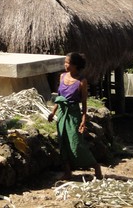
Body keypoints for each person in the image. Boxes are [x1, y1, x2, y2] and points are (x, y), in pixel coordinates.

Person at [48, 52, 103, 180]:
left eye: (68, 63)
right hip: (62, 114)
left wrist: (83, 120)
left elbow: (84, 103)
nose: (65, 65)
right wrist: (53, 112)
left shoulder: (81, 82)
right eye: (65, 62)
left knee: (76, 144)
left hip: (73, 115)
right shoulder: (62, 76)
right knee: (63, 143)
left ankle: (95, 166)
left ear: (76, 65)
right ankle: (67, 172)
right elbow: (59, 97)